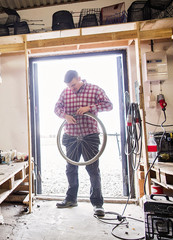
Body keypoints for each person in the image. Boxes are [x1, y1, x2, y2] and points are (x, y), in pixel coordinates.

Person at [54, 70, 113, 217]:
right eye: (69, 86)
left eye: (73, 85)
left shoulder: (94, 89)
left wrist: (90, 108)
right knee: (71, 169)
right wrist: (65, 116)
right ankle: (71, 199)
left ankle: (98, 204)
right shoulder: (65, 92)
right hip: (71, 136)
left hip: (90, 135)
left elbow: (109, 105)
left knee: (93, 169)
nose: (71, 88)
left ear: (79, 78)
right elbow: (56, 108)